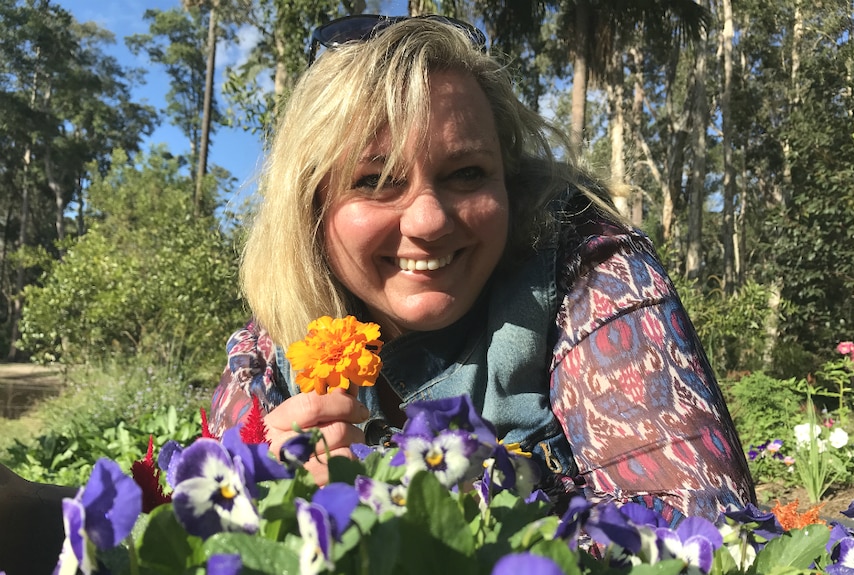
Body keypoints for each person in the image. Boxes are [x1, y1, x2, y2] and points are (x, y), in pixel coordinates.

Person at [210, 14, 756, 525]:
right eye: (376, 181)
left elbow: (697, 532)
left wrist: (393, 499)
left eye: (467, 172)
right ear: (309, 205)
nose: (428, 220)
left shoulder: (591, 273)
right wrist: (270, 499)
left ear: (510, 181)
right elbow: (203, 527)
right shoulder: (267, 355)